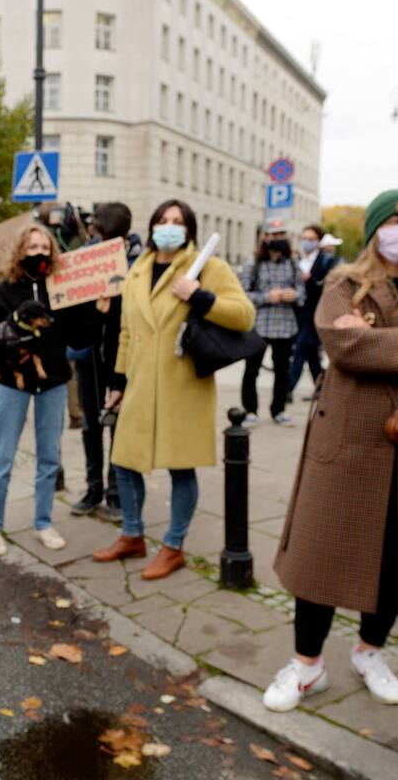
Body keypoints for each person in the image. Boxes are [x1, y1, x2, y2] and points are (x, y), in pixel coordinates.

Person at [264, 189, 398, 713]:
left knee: (397, 554)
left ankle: (369, 652)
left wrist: (380, 344)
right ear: (377, 228)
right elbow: (341, 348)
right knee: (323, 552)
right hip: (349, 439)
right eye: (397, 219)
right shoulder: (344, 283)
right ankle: (306, 666)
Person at [91, 200, 255, 578]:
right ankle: (132, 535)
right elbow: (127, 332)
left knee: (181, 468)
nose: (169, 227)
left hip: (183, 386)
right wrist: (118, 381)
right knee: (123, 460)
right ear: (152, 227)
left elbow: (244, 314)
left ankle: (173, 545)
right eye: (163, 220)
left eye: (178, 222)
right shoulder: (138, 270)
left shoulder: (208, 267)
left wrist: (200, 296)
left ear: (189, 230)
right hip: (139, 384)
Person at [0, 225, 97, 557]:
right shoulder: (6, 290)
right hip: (14, 386)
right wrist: (1, 363)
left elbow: (80, 337)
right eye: (33, 246)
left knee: (49, 458)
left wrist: (97, 308)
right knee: (3, 457)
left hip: (53, 385)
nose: (39, 253)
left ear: (53, 253)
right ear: (21, 251)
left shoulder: (61, 290)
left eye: (45, 247)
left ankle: (43, 522)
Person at [69, 203, 130, 517]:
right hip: (89, 355)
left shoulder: (135, 260)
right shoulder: (84, 261)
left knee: (118, 423)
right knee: (91, 424)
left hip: (121, 355)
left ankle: (116, 491)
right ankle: (94, 488)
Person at [239, 218, 305, 426]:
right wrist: (268, 296)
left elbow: (302, 293)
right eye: (274, 235)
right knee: (252, 370)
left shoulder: (293, 263)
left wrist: (293, 295)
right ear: (265, 237)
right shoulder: (254, 264)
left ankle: (278, 410)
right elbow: (243, 295)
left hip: (285, 325)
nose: (279, 239)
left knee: (282, 370)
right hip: (259, 325)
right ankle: (250, 410)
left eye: (282, 235)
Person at [287, 224, 341, 403]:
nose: (306, 243)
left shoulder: (326, 260)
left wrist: (311, 280)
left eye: (311, 239)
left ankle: (287, 388)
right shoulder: (297, 261)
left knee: (301, 350)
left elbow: (327, 286)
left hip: (316, 313)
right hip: (300, 313)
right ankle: (322, 388)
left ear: (318, 241)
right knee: (311, 354)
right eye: (304, 239)